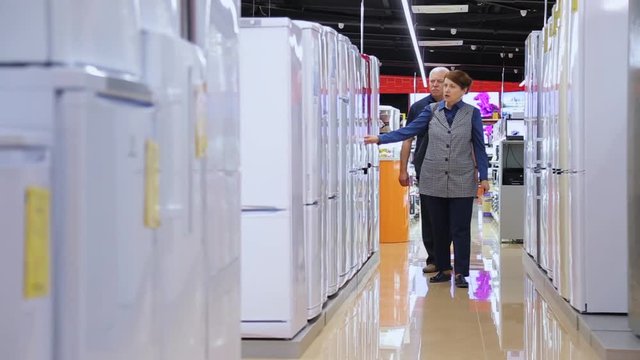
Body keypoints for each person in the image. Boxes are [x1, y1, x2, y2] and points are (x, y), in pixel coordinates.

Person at [365, 70, 489, 288]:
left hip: (462, 177)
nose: (446, 89)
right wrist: (381, 139)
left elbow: (479, 146)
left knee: (460, 227)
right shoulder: (430, 111)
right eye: (445, 85)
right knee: (438, 227)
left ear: (464, 91)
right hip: (432, 176)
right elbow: (409, 131)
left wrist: (484, 177)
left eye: (451, 86)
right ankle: (442, 268)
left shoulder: (472, 114)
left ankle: (461, 272)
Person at [400, 67, 449, 274]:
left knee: (449, 215)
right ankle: (434, 259)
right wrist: (403, 169)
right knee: (429, 215)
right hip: (425, 168)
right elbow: (408, 138)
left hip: (452, 168)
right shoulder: (419, 107)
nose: (435, 85)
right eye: (432, 81)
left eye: (440, 81)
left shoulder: (457, 107)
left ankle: (445, 259)